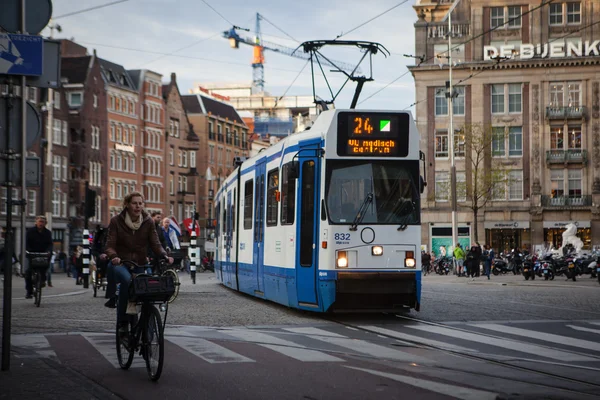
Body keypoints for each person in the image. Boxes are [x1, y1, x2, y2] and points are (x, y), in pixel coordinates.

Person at [105, 192, 173, 340]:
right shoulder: (116, 221)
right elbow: (109, 245)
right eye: (134, 203)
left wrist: (164, 255)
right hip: (121, 262)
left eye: (140, 203)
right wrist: (114, 256)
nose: (138, 206)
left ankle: (147, 322)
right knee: (128, 282)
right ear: (127, 205)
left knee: (149, 287)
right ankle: (123, 324)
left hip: (141, 263)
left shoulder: (148, 221)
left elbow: (155, 243)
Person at [25, 216, 53, 298]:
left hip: (43, 253)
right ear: (36, 222)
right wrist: (28, 250)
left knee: (45, 267)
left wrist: (49, 251)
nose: (41, 223)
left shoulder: (48, 233)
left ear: (45, 223)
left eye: (43, 222)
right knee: (28, 272)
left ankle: (43, 280)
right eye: (40, 221)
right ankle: (29, 291)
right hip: (32, 253)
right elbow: (26, 242)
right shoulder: (30, 231)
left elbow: (50, 244)